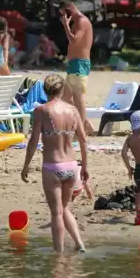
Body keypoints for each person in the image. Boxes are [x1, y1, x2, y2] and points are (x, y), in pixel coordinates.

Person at [21, 74, 89, 253]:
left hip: (53, 166)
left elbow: (34, 141)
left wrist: (26, 165)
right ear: (62, 89)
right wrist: (85, 167)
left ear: (45, 90)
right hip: (72, 165)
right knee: (65, 208)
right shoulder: (73, 110)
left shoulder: (41, 111)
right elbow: (83, 140)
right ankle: (79, 243)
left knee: (56, 213)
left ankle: (58, 255)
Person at [58, 0, 94, 135]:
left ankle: (81, 130)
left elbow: (74, 41)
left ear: (69, 9)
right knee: (64, 100)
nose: (65, 17)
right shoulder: (77, 22)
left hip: (80, 64)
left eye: (65, 14)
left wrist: (66, 26)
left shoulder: (82, 21)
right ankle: (86, 123)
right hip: (74, 65)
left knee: (79, 98)